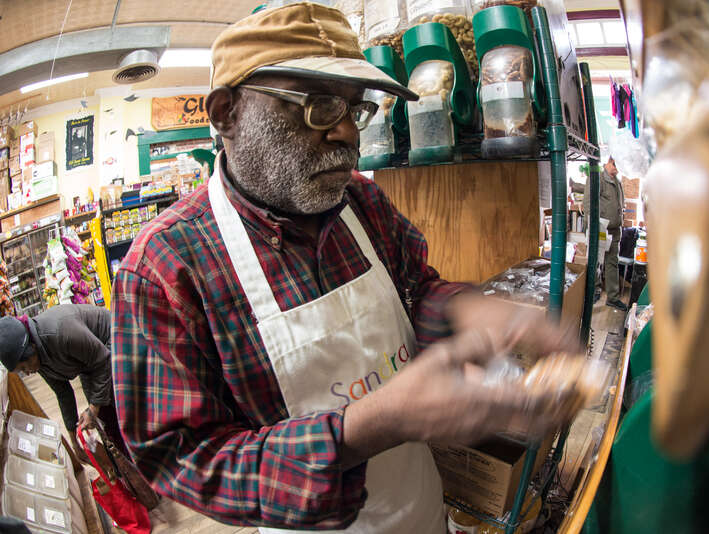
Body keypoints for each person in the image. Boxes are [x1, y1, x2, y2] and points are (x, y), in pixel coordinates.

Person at [111, 4, 577, 533]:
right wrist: (364, 428)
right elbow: (182, 458)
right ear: (226, 114)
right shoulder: (164, 268)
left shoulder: (360, 201)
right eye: (318, 106)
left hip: (420, 510)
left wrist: (470, 311)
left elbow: (412, 289)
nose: (347, 137)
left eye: (355, 110)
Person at [0, 305, 126, 462]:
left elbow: (103, 359)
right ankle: (127, 468)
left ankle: (145, 462)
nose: (27, 372)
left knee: (120, 408)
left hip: (114, 339)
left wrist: (93, 408)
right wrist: (74, 442)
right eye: (21, 370)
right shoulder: (38, 359)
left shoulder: (61, 331)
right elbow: (63, 392)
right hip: (90, 364)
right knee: (105, 422)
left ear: (31, 348)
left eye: (25, 367)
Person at [577, 157, 625, 310]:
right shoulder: (597, 178)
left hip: (614, 229)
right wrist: (591, 228)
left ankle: (613, 297)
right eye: (615, 165)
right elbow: (588, 203)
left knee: (612, 263)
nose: (617, 169)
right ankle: (593, 291)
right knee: (595, 262)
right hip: (600, 228)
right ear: (608, 161)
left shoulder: (617, 181)